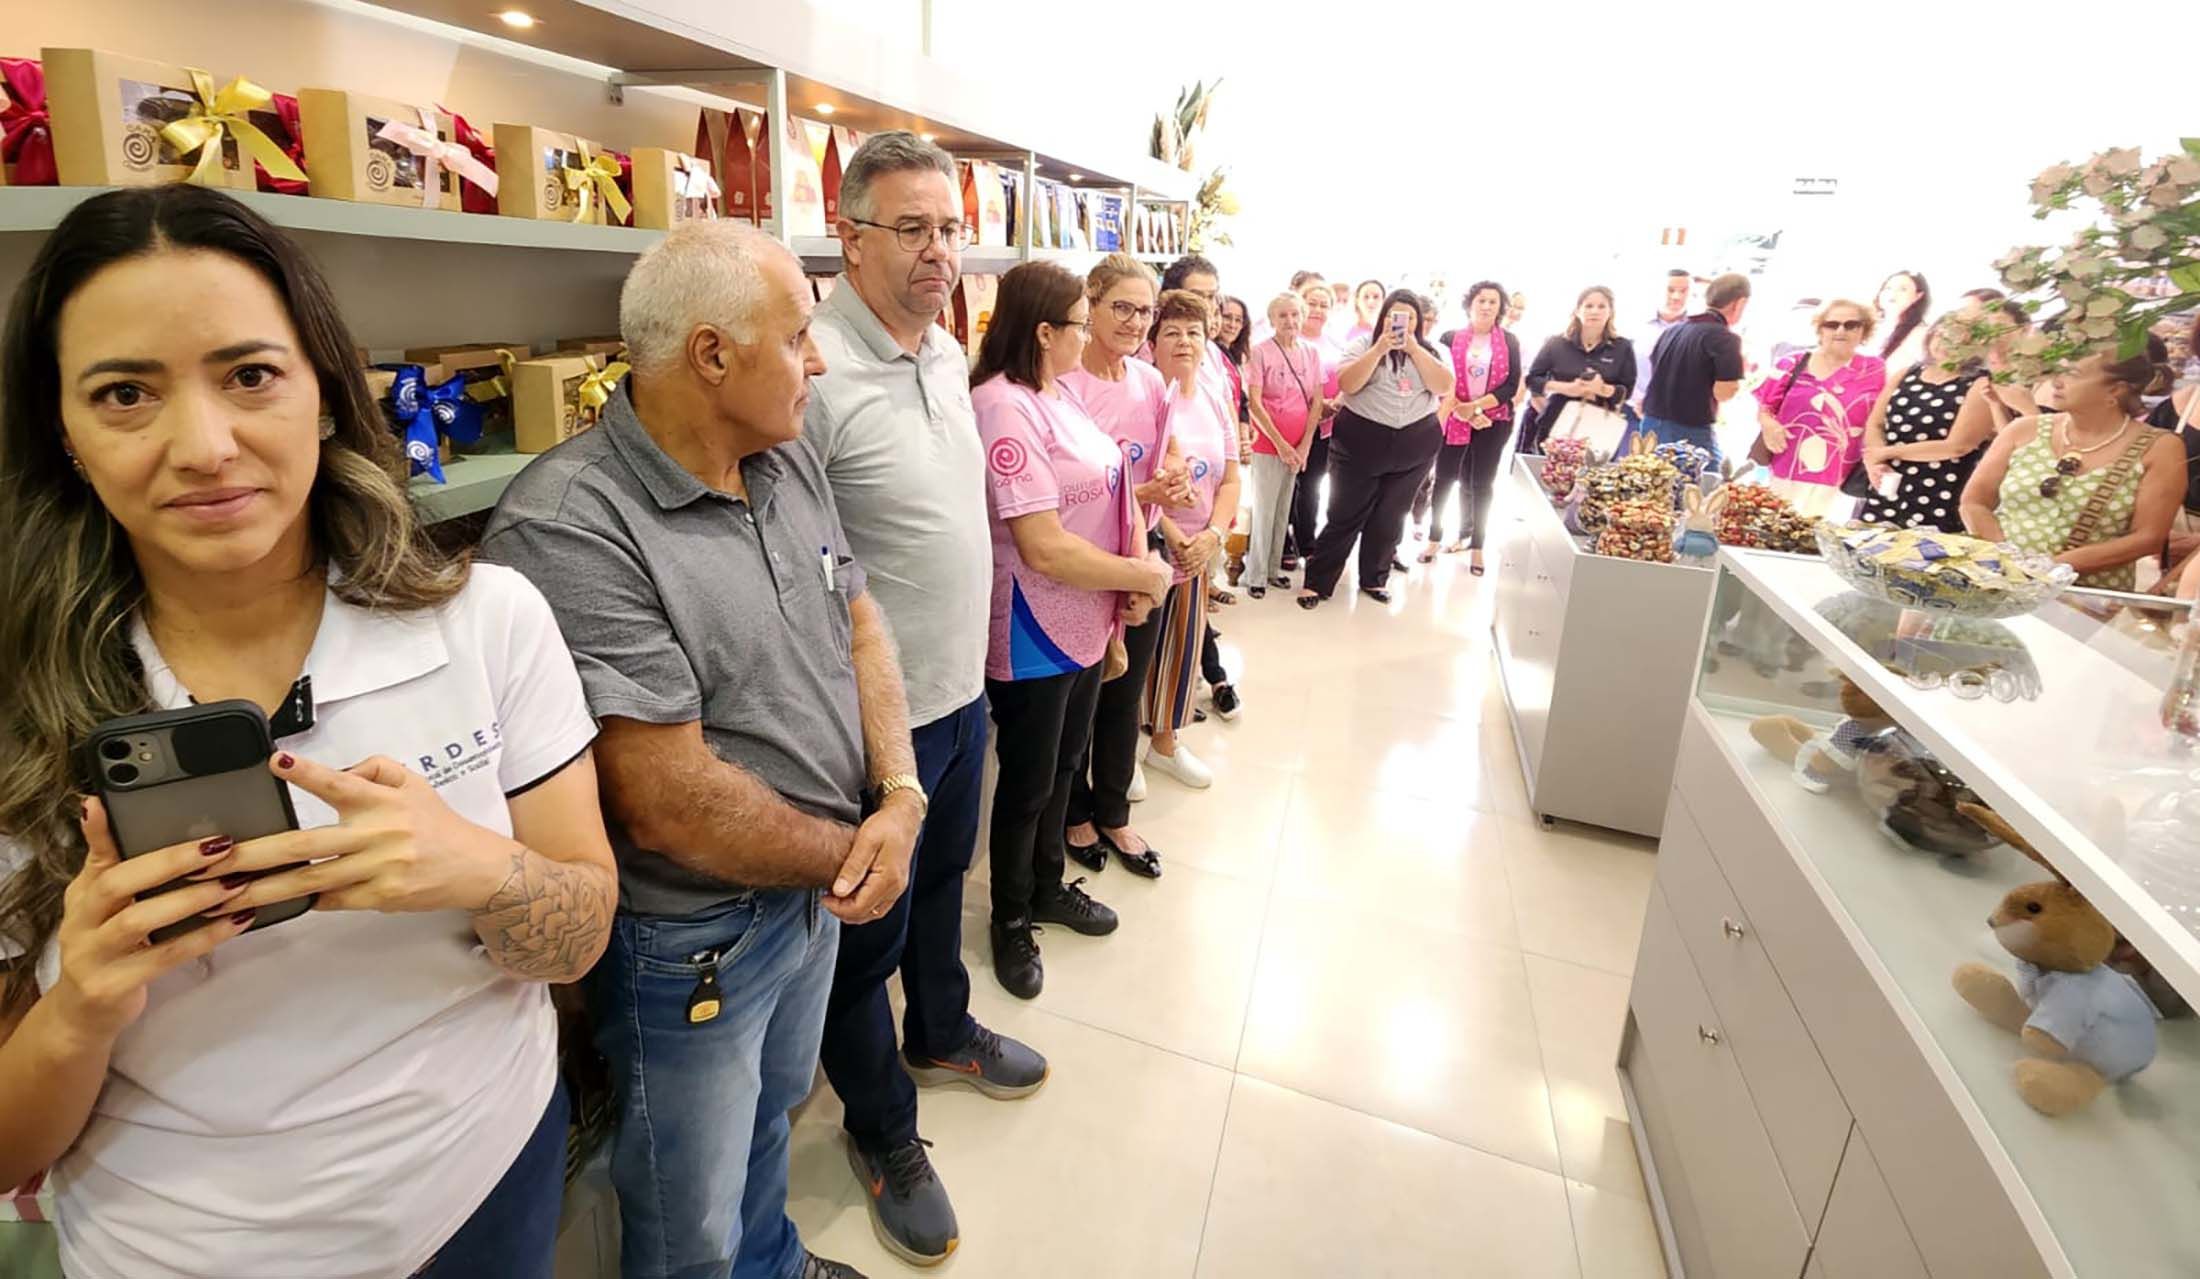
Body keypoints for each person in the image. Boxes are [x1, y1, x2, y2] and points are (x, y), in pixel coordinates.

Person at [0, 184, 617, 1279]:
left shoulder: (487, 622)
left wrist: (480, 870)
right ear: (66, 431)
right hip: (186, 1251)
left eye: (250, 376)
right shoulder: (17, 709)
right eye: (125, 392)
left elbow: (581, 934)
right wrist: (79, 1006)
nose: (204, 445)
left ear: (326, 394)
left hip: (487, 1183)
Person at [483, 220, 901, 1279]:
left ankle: (773, 1262)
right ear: (711, 354)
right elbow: (665, 798)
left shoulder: (785, 458)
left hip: (809, 891)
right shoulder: (571, 525)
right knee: (687, 1205)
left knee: (774, 1121)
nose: (818, 360)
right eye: (799, 334)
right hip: (693, 939)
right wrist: (857, 853)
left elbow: (858, 618)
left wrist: (896, 792)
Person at [800, 132, 1051, 1266]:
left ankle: (941, 1030)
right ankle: (883, 1132)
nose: (940, 250)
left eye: (949, 228)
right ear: (849, 238)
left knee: (946, 882)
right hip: (869, 729)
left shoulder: (945, 354)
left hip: (960, 697)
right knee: (867, 940)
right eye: (911, 228)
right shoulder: (812, 374)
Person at [972, 261, 1171, 998]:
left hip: (1085, 617)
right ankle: (1011, 917)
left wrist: (1129, 572)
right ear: (1045, 331)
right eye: (1082, 322)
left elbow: (1106, 488)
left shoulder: (1058, 394)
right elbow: (1043, 544)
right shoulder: (1003, 407)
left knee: (1064, 767)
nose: (1093, 332)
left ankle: (1049, 883)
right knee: (1027, 781)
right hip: (1033, 624)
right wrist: (1138, 578)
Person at [1057, 253, 1187, 879]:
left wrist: (1176, 476)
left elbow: (1164, 451)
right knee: (1081, 696)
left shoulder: (1151, 382)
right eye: (1123, 308)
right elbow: (1060, 499)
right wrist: (1141, 496)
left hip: (1143, 555)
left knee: (1124, 692)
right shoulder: (1061, 387)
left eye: (1146, 310)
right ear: (1092, 303)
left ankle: (1113, 810)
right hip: (1085, 563)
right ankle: (1074, 812)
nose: (1137, 322)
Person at [1963, 347, 2185, 591]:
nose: (2057, 381)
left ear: (2115, 390)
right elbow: (1974, 501)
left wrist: (2047, 569)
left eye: (2073, 374)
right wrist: (2006, 561)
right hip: (1996, 582)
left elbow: (2147, 538)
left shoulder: (2159, 447)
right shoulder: (2023, 429)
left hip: (2086, 598)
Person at [1296, 288, 1456, 608]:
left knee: (1391, 515)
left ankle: (1374, 578)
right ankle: (1318, 582)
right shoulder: (1361, 345)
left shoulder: (1433, 350)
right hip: (1360, 444)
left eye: (1410, 318)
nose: (1402, 323)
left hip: (1413, 445)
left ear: (1418, 322)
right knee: (1344, 513)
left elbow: (1443, 386)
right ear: (1383, 318)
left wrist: (1413, 349)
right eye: (1395, 316)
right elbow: (1348, 384)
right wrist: (1380, 348)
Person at [1143, 291, 1243, 789]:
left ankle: (1164, 743)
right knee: (1137, 652)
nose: (1184, 341)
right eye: (1172, 332)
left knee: (1182, 650)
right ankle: (1119, 749)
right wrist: (1176, 535)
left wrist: (1213, 536)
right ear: (1152, 340)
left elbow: (1230, 477)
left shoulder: (1211, 395)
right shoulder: (1142, 393)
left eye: (1194, 332)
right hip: (1153, 542)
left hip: (1200, 544)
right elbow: (1133, 477)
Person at [1860, 313, 1998, 531]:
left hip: (1939, 487)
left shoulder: (1980, 383)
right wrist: (1875, 462)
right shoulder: (1907, 373)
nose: (1947, 345)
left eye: (1960, 341)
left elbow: (1958, 445)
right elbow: (1875, 424)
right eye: (1942, 336)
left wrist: (1888, 453)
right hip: (1888, 482)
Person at [1753, 298, 1888, 518]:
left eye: (1851, 325)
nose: (1841, 330)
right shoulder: (1790, 363)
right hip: (1787, 465)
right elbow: (1765, 406)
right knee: (1775, 526)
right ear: (1820, 329)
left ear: (1864, 331)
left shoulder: (1875, 370)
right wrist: (1768, 425)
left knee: (1821, 539)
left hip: (1840, 474)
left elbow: (1878, 420)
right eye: (1832, 324)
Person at [1424, 281, 1526, 571]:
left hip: (1493, 420)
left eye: (1493, 302)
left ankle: (1477, 545)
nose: (1486, 306)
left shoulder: (1509, 341)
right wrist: (1463, 410)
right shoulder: (1449, 337)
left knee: (1482, 484)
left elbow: (1510, 384)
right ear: (1470, 304)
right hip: (1454, 415)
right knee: (1444, 478)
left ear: (1500, 308)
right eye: (1481, 300)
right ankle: (1433, 538)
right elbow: (1440, 380)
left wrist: (1478, 408)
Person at [1520, 284, 1636, 515]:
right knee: (1551, 480)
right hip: (1557, 422)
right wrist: (1566, 388)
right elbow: (1533, 379)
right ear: (1577, 310)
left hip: (1599, 426)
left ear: (1610, 311)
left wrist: (1602, 389)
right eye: (1589, 306)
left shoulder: (1622, 347)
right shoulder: (1557, 343)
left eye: (1601, 306)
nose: (1594, 311)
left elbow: (1627, 390)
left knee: (1589, 485)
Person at [1244, 290, 1325, 597]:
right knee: (1264, 508)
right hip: (1268, 442)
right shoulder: (1260, 351)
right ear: (1272, 319)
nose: (1290, 321)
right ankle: (1256, 574)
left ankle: (1275, 567)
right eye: (1282, 315)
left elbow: (1317, 401)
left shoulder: (1311, 352)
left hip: (1298, 442)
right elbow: (1254, 400)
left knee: (1283, 508)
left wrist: (1303, 446)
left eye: (1294, 314)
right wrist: (1279, 443)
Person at [1634, 271, 1752, 465]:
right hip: (1689, 429)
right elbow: (1724, 393)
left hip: (1651, 422)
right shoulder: (1725, 339)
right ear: (1739, 304)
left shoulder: (1673, 330)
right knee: (1706, 483)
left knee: (1652, 483)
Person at [1288, 273, 1346, 563]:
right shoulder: (1287, 339)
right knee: (1286, 484)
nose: (1318, 310)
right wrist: (1313, 407)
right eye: (1312, 303)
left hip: (1326, 427)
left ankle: (1306, 542)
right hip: (1290, 423)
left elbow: (1348, 379)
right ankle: (1283, 542)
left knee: (1312, 484)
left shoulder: (1336, 341)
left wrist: (1333, 404)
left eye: (1324, 304)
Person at [1629, 268, 1694, 418]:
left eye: (1683, 291)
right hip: (1628, 408)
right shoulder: (1634, 323)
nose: (1676, 296)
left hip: (1669, 414)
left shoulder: (1697, 330)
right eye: (1670, 290)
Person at [1875, 270, 1932, 372]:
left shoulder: (1923, 334)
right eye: (1888, 288)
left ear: (1918, 296)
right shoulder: (1867, 325)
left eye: (1903, 289)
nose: (1893, 293)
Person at [1346, 278, 1386, 344]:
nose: (1371, 301)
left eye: (1376, 297)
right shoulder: (1346, 331)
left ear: (1384, 301)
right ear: (1357, 301)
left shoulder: (1387, 331)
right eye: (1366, 297)